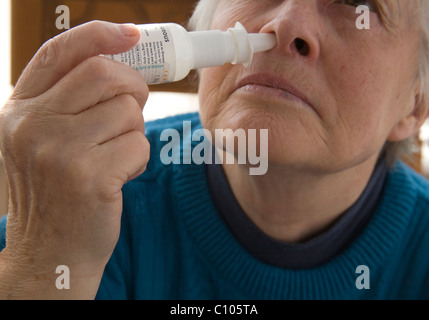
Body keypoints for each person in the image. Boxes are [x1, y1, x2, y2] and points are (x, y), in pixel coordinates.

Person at [0, 0, 429, 300]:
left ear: (415, 103)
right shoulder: (85, 198)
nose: (286, 25)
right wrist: (43, 259)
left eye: (357, 3)